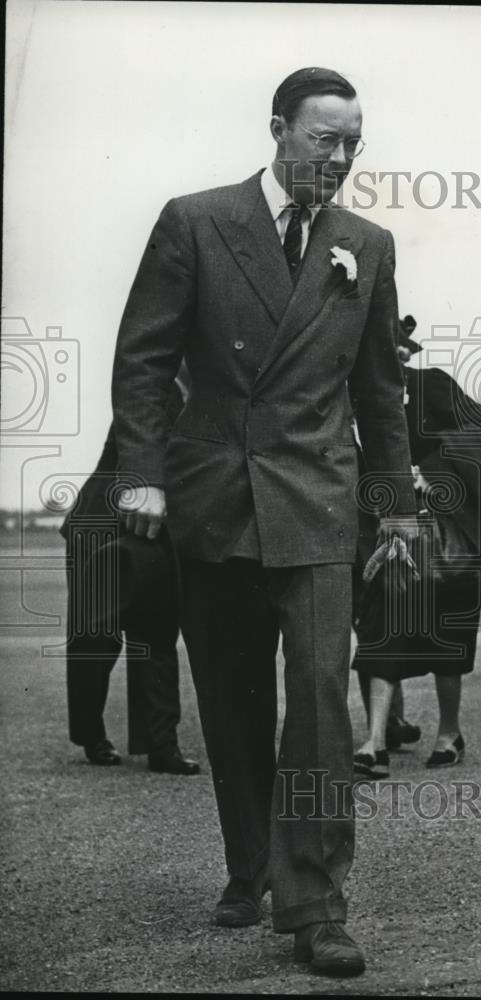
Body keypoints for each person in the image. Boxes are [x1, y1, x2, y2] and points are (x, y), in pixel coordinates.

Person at [111, 67, 416, 977]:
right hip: (216, 498)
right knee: (236, 701)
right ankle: (250, 870)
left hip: (318, 502)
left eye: (355, 141)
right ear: (279, 130)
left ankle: (316, 904)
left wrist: (395, 507)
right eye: (325, 138)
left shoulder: (368, 241)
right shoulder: (195, 220)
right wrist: (142, 476)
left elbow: (380, 390)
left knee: (320, 703)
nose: (342, 156)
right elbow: (144, 359)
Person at [352, 318, 481, 777]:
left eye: (396, 350)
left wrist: (431, 471)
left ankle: (449, 732)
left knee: (444, 634)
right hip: (382, 533)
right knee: (378, 630)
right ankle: (375, 739)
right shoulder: (348, 398)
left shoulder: (430, 385)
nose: (392, 358)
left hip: (443, 536)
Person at [62, 380, 199, 776]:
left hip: (148, 526)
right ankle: (91, 734)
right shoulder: (153, 391)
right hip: (101, 525)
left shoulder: (199, 393)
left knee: (156, 632)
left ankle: (161, 746)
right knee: (96, 637)